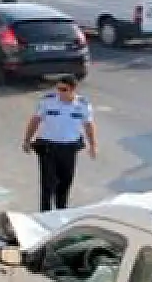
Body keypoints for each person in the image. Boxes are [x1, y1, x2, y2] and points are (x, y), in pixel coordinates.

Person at [22, 74, 97, 211]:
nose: (60, 93)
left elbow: (88, 125)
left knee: (65, 182)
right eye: (58, 89)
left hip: (68, 149)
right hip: (48, 147)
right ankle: (45, 213)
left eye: (64, 90)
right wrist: (27, 140)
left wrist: (92, 145)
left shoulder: (83, 105)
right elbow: (35, 120)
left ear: (73, 90)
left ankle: (61, 211)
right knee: (47, 183)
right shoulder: (48, 102)